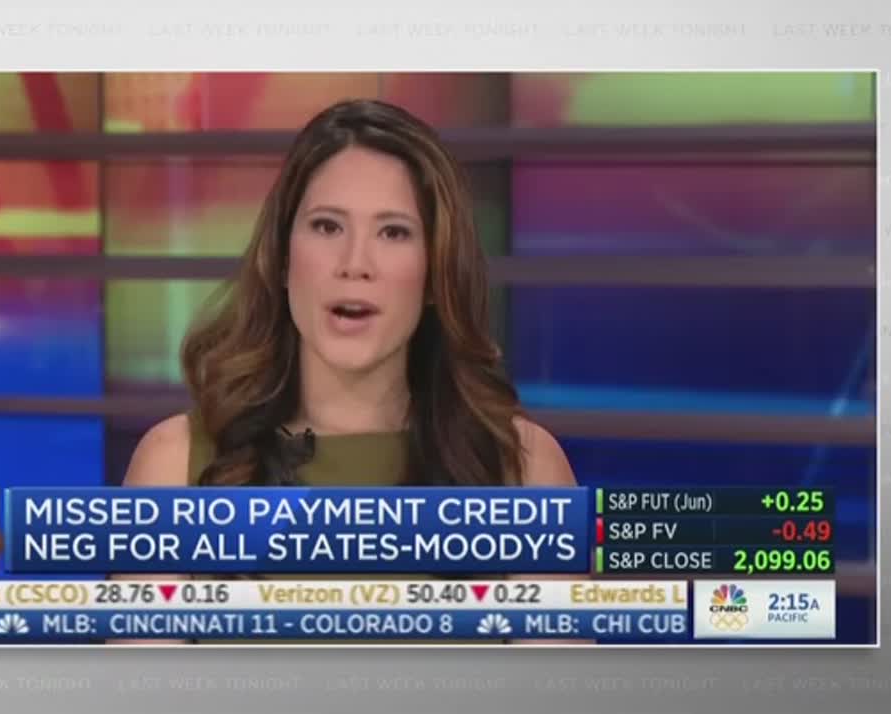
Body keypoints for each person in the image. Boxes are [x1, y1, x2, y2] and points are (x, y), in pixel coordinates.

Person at [113, 98, 579, 644]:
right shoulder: (174, 467)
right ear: (283, 258)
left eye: (393, 232)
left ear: (435, 273)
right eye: (327, 226)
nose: (355, 264)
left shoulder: (523, 470)